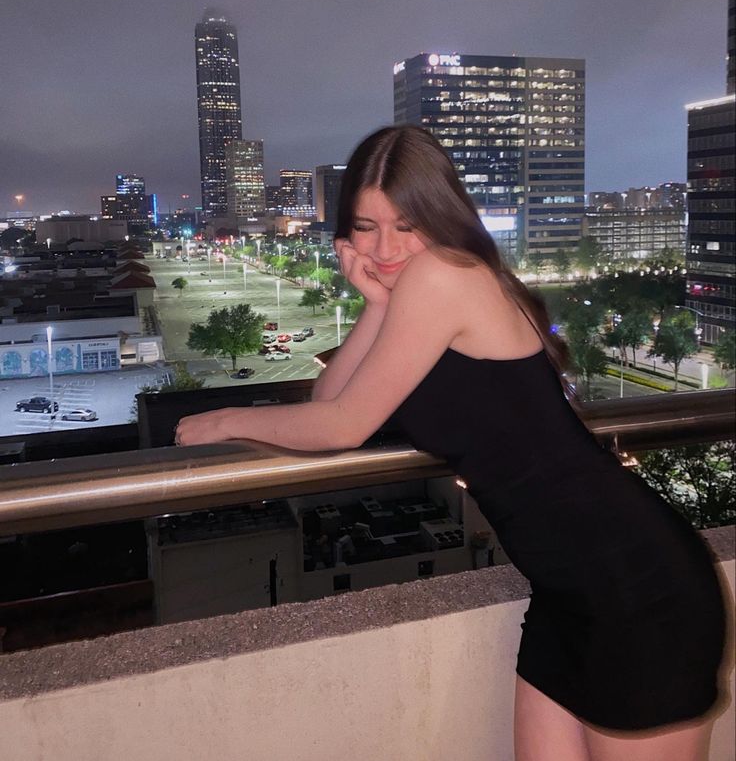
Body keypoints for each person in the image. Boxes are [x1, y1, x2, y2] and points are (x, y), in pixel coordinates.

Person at [175, 126, 727, 761]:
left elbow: (341, 428)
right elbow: (327, 406)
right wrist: (375, 305)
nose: (383, 248)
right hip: (566, 595)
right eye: (364, 226)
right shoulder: (424, 284)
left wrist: (226, 419)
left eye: (405, 224)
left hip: (637, 591)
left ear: (440, 217)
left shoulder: (444, 273)